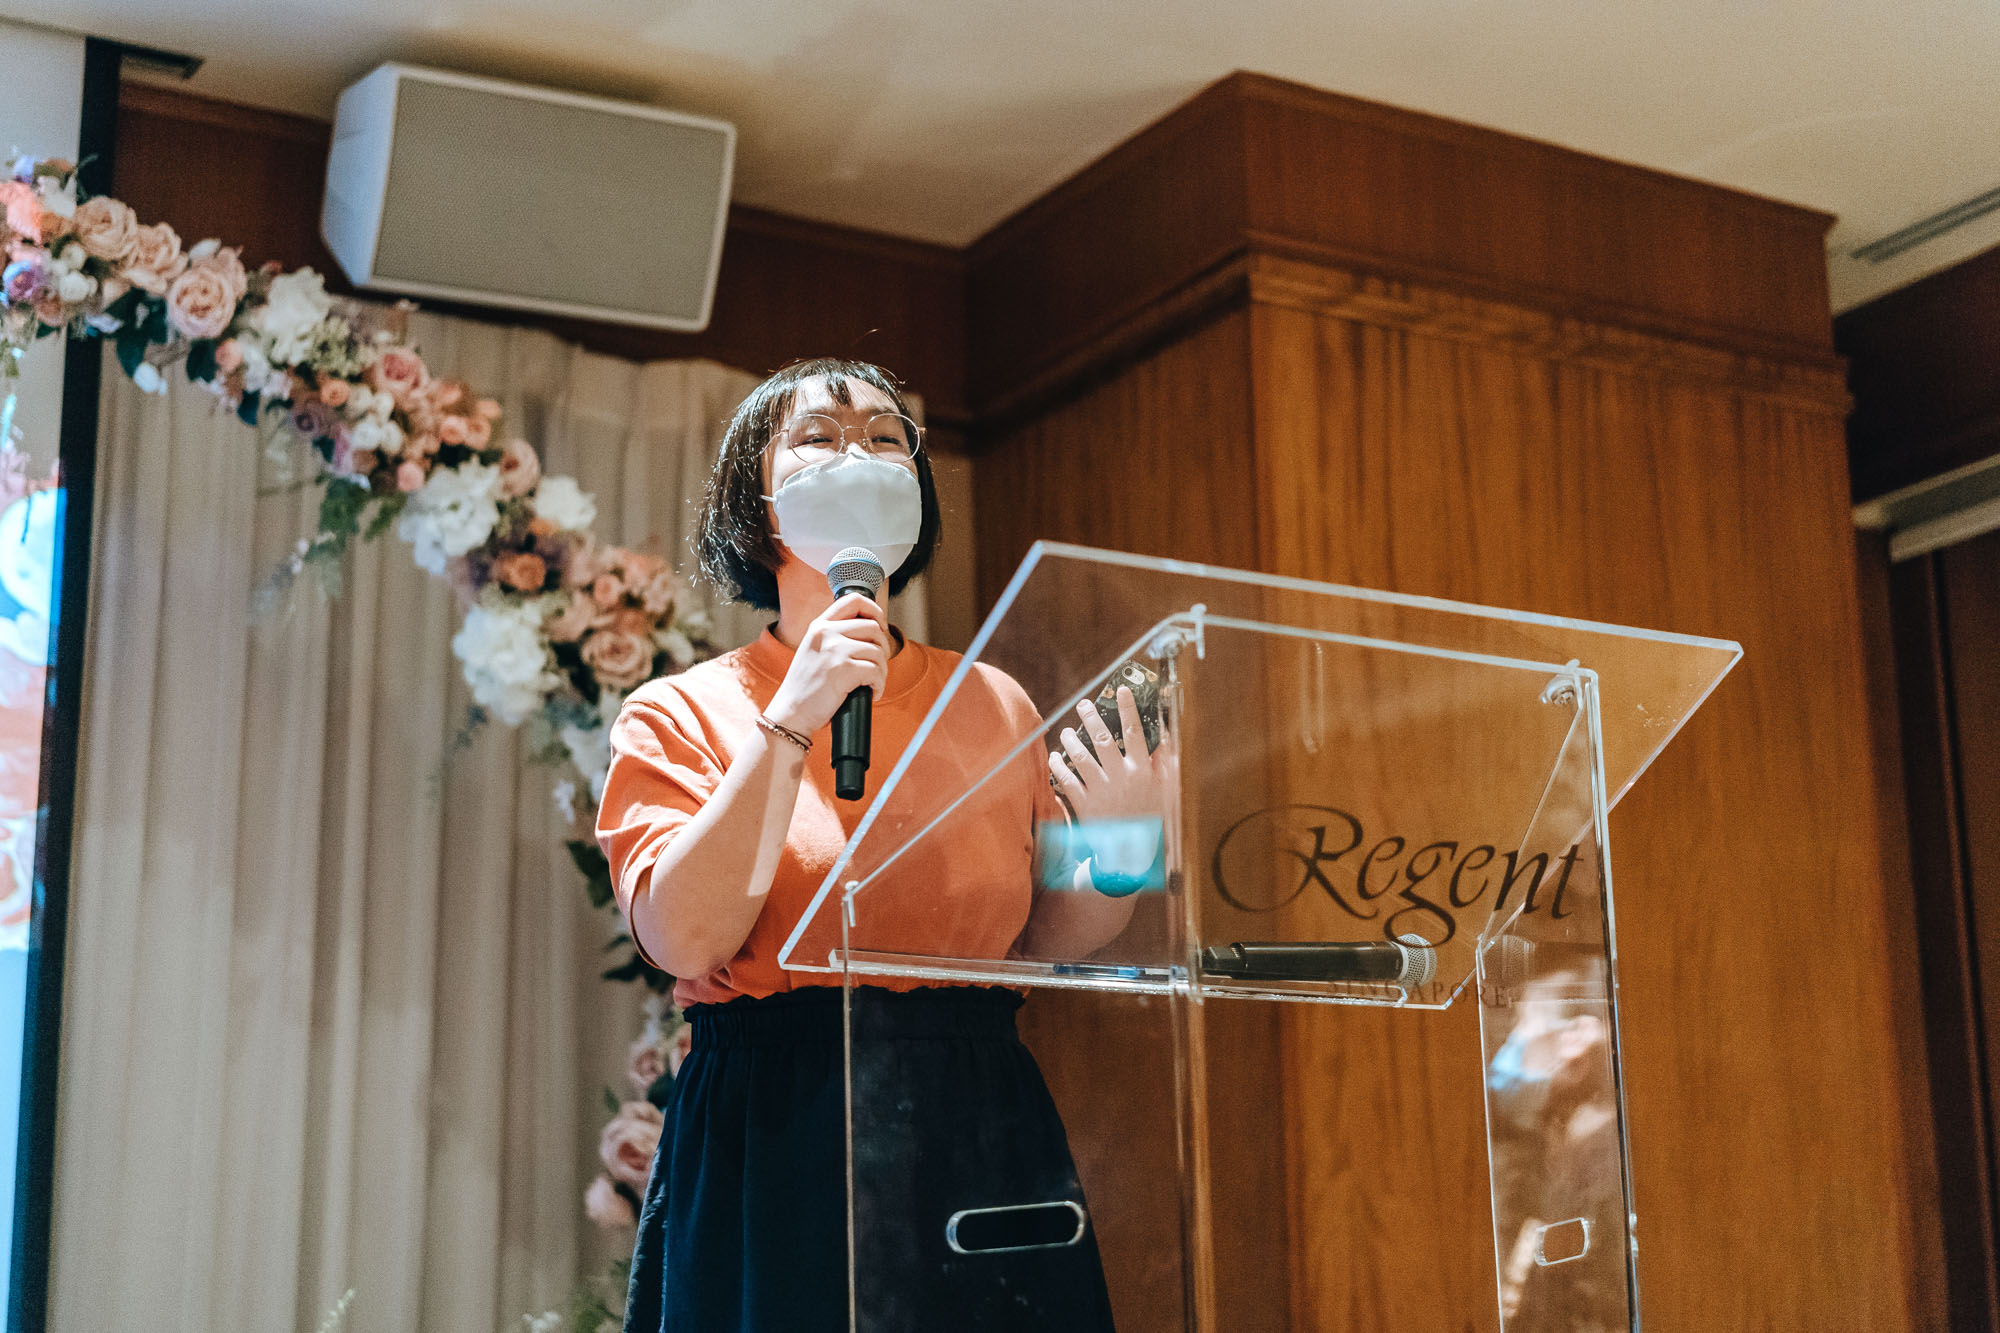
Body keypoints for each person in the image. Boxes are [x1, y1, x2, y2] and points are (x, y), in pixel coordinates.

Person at [596, 358, 1161, 1333]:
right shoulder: (678, 709)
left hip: (976, 1100)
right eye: (818, 436)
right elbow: (683, 937)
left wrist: (1128, 839)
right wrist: (791, 720)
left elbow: (1045, 936)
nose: (857, 452)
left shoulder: (993, 700)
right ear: (752, 500)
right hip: (779, 1110)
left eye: (885, 437)